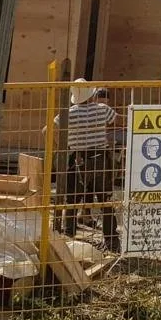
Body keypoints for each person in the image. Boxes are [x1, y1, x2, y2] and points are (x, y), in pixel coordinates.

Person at [55, 81, 120, 250]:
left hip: (78, 158)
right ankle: (112, 241)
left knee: (72, 200)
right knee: (105, 199)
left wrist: (62, 145)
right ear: (91, 94)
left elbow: (47, 130)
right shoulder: (102, 109)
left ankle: (68, 237)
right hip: (100, 158)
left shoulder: (67, 114)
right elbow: (115, 120)